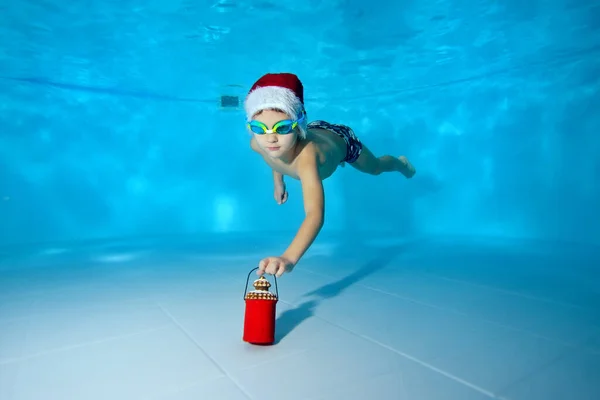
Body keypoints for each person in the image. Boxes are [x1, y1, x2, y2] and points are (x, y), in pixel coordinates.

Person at [245, 72, 415, 278]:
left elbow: (315, 214)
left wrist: (289, 257)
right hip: (318, 131)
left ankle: (400, 163)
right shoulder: (258, 144)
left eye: (282, 128)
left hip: (341, 141)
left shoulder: (307, 159)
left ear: (297, 127)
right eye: (259, 128)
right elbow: (274, 158)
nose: (270, 138)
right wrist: (278, 182)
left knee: (376, 168)